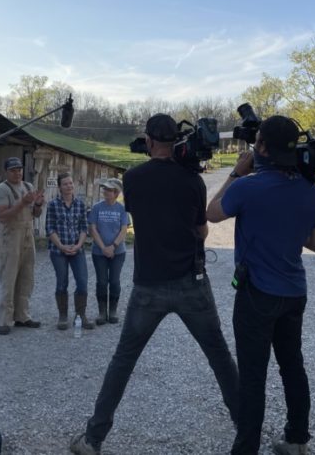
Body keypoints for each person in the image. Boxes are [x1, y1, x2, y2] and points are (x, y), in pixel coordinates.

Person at [70, 114, 239, 455]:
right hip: (191, 282)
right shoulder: (193, 181)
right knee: (219, 354)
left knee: (123, 360)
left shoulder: (132, 179)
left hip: (148, 286)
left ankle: (93, 439)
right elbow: (202, 229)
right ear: (176, 142)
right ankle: (246, 424)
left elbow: (143, 216)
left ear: (148, 141)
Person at [206, 115, 315, 455]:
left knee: (253, 376)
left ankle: (246, 449)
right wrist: (287, 226)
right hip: (294, 293)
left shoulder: (247, 186)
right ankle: (297, 440)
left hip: (257, 294)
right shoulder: (311, 192)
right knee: (292, 366)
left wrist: (235, 173)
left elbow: (212, 213)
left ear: (261, 147)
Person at [0, 157, 45, 335]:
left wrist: (38, 204)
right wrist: (22, 203)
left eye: (19, 169)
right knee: (9, 277)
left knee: (26, 277)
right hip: (11, 237)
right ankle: (5, 320)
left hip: (28, 235)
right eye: (13, 170)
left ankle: (22, 315)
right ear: (6, 172)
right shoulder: (2, 189)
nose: (18, 173)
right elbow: (2, 217)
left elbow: (36, 214)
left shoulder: (28, 187)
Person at [46, 172, 94, 330]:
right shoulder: (53, 205)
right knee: (62, 283)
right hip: (58, 250)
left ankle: (81, 315)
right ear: (60, 187)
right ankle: (63, 316)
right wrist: (61, 246)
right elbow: (50, 228)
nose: (69, 186)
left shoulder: (80, 204)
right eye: (65, 184)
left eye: (71, 183)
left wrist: (79, 245)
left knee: (82, 282)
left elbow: (83, 228)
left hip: (76, 250)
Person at [88, 178, 130, 325]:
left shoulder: (122, 209)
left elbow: (124, 229)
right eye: (104, 189)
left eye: (109, 189)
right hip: (98, 252)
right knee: (101, 281)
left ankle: (112, 311)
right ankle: (101, 312)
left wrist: (113, 246)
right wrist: (103, 247)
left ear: (116, 193)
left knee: (114, 281)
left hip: (118, 252)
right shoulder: (97, 208)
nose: (105, 191)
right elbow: (92, 228)